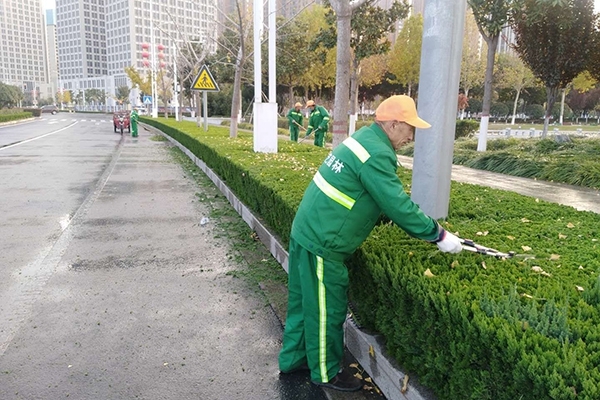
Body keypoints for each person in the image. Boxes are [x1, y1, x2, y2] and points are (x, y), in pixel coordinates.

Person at [278, 95, 463, 392]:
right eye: (408, 128)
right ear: (392, 125)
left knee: (304, 305)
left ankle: (292, 360)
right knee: (327, 311)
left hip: (306, 232)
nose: (411, 136)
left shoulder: (364, 139)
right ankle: (325, 373)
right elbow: (397, 204)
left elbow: (365, 195)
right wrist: (438, 234)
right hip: (324, 244)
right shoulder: (377, 153)